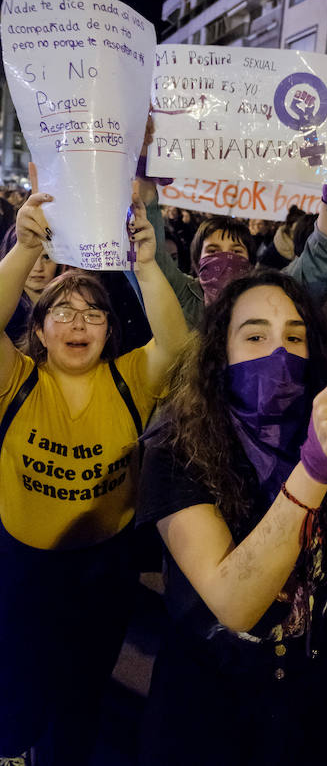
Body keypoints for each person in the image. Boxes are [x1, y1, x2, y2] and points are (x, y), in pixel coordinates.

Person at [136, 270, 327, 765]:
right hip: (211, 704)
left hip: (308, 690)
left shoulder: (324, 426)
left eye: (294, 337)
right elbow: (234, 602)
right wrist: (314, 469)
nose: (279, 353)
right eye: (256, 335)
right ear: (221, 352)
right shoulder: (176, 448)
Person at [0, 176, 188, 766]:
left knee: (83, 693)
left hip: (104, 572)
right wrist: (26, 248)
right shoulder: (15, 381)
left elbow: (177, 344)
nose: (78, 324)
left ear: (110, 331)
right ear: (38, 328)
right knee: (17, 686)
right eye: (62, 311)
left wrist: (149, 265)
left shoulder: (132, 379)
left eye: (93, 313)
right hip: (22, 570)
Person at [135, 132, 327, 327]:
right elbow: (148, 254)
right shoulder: (182, 296)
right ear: (196, 260)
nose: (225, 259)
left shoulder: (272, 294)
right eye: (213, 251)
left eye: (236, 251)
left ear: (251, 262)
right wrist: (145, 168)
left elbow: (321, 261)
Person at [0, 224, 61, 343]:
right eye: (30, 259)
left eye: (47, 257)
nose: (38, 268)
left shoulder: (72, 302)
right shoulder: (6, 313)